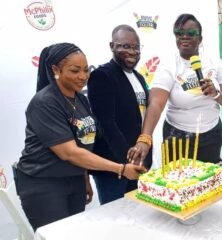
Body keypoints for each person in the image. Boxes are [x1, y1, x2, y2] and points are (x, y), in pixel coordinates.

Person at [16, 43, 146, 231]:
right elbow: (70, 153)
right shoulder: (45, 103)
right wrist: (121, 168)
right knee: (57, 235)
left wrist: (84, 178)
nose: (83, 76)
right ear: (55, 69)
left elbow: (85, 143)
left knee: (76, 233)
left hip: (74, 180)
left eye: (85, 70)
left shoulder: (80, 99)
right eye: (75, 71)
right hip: (45, 184)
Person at [128, 13, 222, 165]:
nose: (184, 37)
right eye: (179, 33)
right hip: (177, 138)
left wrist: (216, 93)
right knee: (180, 185)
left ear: (200, 39)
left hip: (211, 136)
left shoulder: (214, 62)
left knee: (208, 182)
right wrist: (145, 138)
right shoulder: (169, 66)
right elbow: (156, 104)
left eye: (191, 33)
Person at [87, 25, 152, 205]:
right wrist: (127, 162)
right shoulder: (102, 76)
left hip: (137, 164)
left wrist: (141, 158)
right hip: (115, 168)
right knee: (116, 222)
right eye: (125, 46)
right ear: (112, 46)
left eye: (135, 47)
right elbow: (106, 125)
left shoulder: (139, 77)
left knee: (138, 217)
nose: (132, 51)